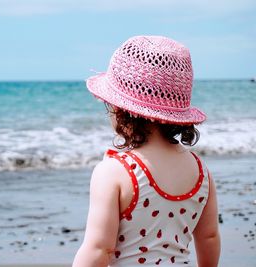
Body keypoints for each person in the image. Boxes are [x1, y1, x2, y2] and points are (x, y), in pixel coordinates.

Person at [72, 36, 220, 267]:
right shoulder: (201, 171)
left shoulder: (113, 171)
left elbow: (99, 248)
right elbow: (209, 237)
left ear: (120, 110)